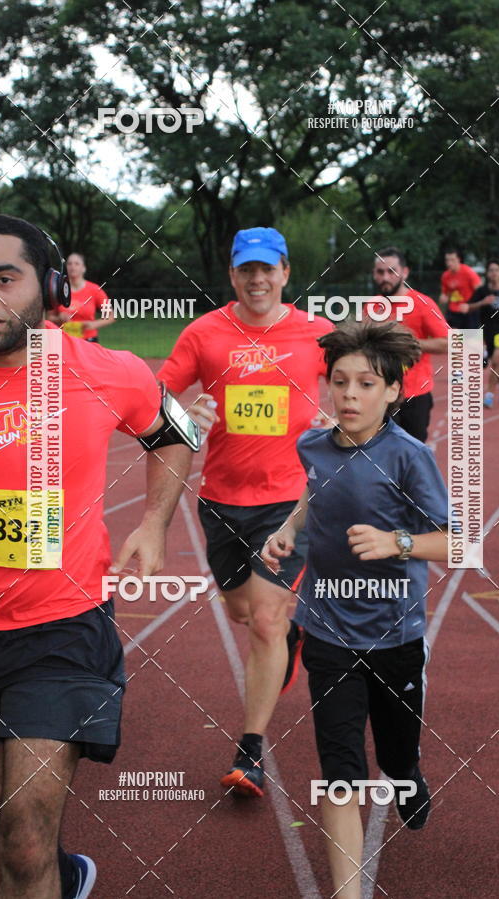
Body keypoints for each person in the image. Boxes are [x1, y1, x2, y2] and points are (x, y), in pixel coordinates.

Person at [0, 214, 194, 899]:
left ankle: (44, 872)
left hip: (64, 627)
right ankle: (64, 876)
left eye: (4, 278)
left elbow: (176, 431)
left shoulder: (104, 370)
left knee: (25, 844)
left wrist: (154, 521)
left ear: (50, 287)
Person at [262, 320, 449, 899]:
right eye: (339, 382)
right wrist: (288, 529)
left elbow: (457, 540)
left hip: (395, 635)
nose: (348, 395)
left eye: (365, 384)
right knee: (340, 772)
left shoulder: (409, 458)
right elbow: (313, 492)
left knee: (393, 755)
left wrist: (398, 543)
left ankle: (407, 774)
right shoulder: (312, 444)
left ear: (392, 391)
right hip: (326, 630)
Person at [157, 226, 333, 797]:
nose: (258, 280)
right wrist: (188, 415)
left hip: (289, 502)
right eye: (246, 270)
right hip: (221, 500)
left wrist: (344, 426)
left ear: (285, 272)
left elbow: (377, 382)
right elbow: (154, 397)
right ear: (233, 276)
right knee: (239, 610)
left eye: (268, 269)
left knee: (264, 620)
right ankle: (294, 634)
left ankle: (250, 750)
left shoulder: (318, 333)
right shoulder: (205, 333)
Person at [370, 247, 448, 442]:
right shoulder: (372, 306)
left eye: (391, 271)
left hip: (414, 395)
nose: (385, 277)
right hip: (380, 394)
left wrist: (404, 342)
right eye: (380, 272)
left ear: (404, 272)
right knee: (381, 455)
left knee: (412, 456)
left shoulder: (422, 303)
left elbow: (448, 343)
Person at [461, 260, 499, 408]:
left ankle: (489, 395)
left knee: (495, 359)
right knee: (496, 362)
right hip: (488, 331)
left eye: (497, 270)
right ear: (487, 274)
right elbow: (468, 307)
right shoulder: (482, 291)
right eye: (491, 270)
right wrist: (483, 302)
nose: (494, 273)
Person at [49, 252, 114, 342]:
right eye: (69, 263)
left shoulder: (95, 290)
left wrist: (93, 324)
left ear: (83, 268)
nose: (73, 267)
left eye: (76, 263)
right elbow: (49, 318)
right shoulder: (58, 290)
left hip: (88, 340)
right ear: (66, 268)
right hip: (64, 340)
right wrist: (59, 318)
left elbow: (110, 316)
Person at [439, 248, 481, 328]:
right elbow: (445, 294)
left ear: (459, 259)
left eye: (452, 260)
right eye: (447, 260)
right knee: (455, 339)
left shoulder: (468, 272)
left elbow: (479, 292)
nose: (449, 263)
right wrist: (443, 297)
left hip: (469, 311)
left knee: (472, 339)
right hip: (453, 311)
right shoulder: (445, 276)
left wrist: (471, 305)